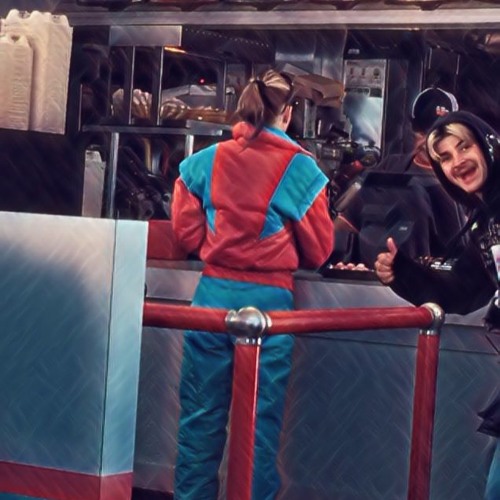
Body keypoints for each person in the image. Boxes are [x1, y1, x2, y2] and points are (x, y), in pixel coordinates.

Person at [170, 69, 334, 500]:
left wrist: (213, 244)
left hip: (210, 301)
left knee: (199, 419)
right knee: (258, 426)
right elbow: (319, 250)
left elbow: (185, 231)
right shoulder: (300, 167)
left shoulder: (205, 160)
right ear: (288, 113)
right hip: (268, 308)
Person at [374, 110, 500, 500]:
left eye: (464, 146)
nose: (457, 161)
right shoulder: (484, 222)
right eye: (444, 157)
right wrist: (401, 273)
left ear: (488, 145)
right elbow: (463, 291)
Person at [333, 87, 465, 268]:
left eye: (438, 134)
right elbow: (347, 222)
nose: (429, 141)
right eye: (422, 132)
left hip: (428, 279)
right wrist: (336, 261)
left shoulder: (463, 178)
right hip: (372, 275)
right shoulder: (390, 167)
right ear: (412, 129)